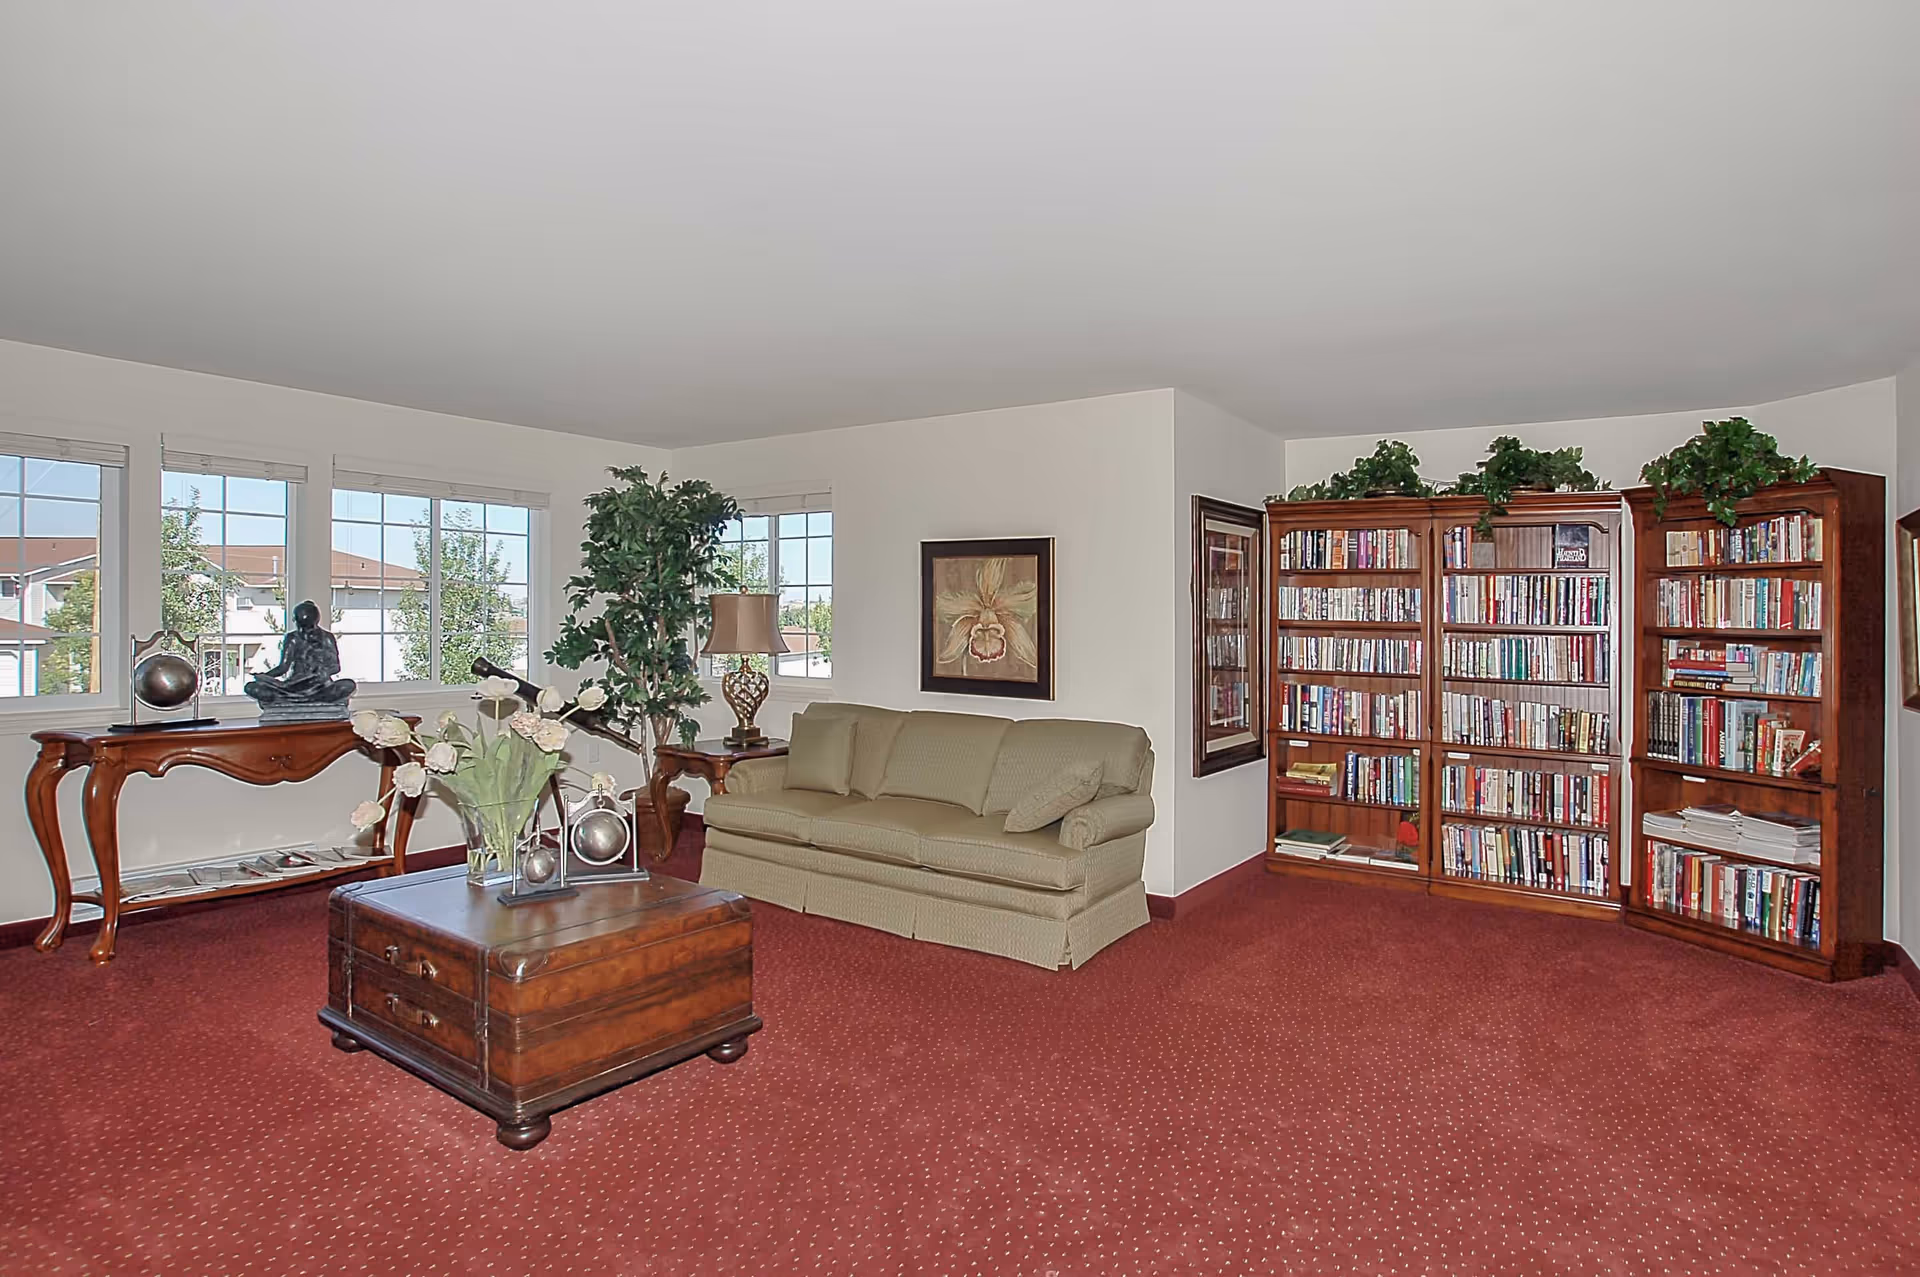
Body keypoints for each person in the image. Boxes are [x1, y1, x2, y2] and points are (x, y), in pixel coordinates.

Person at [244, 600, 356, 704]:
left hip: (320, 687)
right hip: (292, 687)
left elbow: (336, 666)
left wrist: (324, 672)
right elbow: (283, 667)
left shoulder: (327, 637)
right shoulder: (292, 637)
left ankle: (300, 701)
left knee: (347, 685)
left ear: (316, 622)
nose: (305, 632)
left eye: (309, 628)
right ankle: (303, 700)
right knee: (251, 687)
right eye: (301, 627)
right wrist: (265, 677)